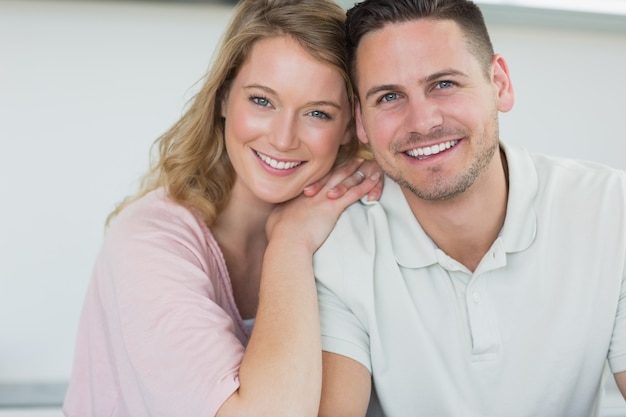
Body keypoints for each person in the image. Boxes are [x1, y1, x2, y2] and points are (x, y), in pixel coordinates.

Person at [62, 0, 383, 416]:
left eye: (317, 113)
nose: (283, 139)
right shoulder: (148, 240)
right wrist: (289, 243)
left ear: (348, 128)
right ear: (224, 98)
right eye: (262, 101)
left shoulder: (344, 222)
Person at [313, 0, 626, 416]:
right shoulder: (336, 250)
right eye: (389, 96)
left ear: (499, 83)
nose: (422, 122)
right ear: (361, 122)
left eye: (443, 84)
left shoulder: (609, 209)